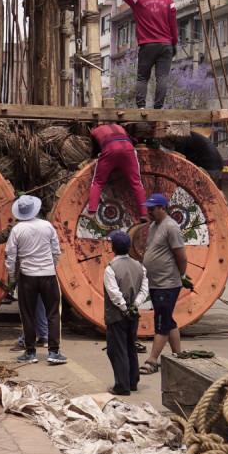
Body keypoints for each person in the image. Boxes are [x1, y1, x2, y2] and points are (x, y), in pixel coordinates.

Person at [4, 195, 66, 365]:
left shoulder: (17, 230)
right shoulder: (47, 226)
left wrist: (11, 276)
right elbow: (56, 251)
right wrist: (49, 266)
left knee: (27, 314)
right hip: (48, 275)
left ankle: (30, 353)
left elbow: (10, 255)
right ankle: (54, 351)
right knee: (53, 313)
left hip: (27, 277)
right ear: (36, 209)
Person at [102, 0, 177, 109]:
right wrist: (174, 43)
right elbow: (173, 24)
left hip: (147, 44)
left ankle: (141, 107)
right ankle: (158, 108)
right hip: (166, 44)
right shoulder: (169, 1)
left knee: (143, 77)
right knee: (162, 77)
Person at [0, 211, 49, 350]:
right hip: (45, 272)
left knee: (26, 309)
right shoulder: (44, 226)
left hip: (26, 273)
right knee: (40, 306)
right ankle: (44, 338)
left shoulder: (17, 228)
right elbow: (55, 250)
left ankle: (25, 342)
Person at [139, 193, 188, 375]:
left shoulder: (171, 227)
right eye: (149, 208)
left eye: (153, 208)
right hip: (156, 282)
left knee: (161, 322)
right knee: (168, 320)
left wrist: (181, 276)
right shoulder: (154, 226)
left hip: (167, 283)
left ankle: (152, 360)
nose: (150, 211)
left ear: (163, 208)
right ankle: (178, 356)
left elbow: (181, 256)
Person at [104, 231, 149, 396]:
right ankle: (132, 382)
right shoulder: (140, 266)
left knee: (117, 349)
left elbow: (114, 293)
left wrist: (123, 308)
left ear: (113, 248)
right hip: (133, 313)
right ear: (129, 247)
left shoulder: (111, 268)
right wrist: (134, 306)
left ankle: (121, 386)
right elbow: (144, 290)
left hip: (116, 315)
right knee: (130, 345)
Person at [84, 124, 149, 225]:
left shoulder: (94, 132)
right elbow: (133, 140)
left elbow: (95, 150)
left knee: (97, 182)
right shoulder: (119, 127)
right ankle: (144, 214)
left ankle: (91, 212)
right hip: (128, 150)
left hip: (110, 151)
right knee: (137, 183)